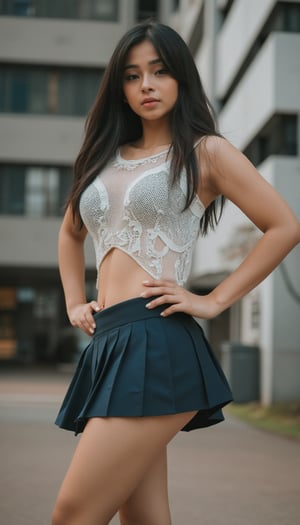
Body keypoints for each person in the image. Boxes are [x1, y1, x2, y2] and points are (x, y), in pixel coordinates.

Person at [52, 21, 300, 525]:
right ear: (119, 88)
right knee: (143, 518)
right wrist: (74, 301)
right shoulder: (104, 158)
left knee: (73, 514)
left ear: (181, 78)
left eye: (160, 71)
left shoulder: (205, 151)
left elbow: (283, 226)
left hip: (157, 338)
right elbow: (70, 232)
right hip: (110, 341)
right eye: (132, 75)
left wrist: (213, 301)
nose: (146, 84)